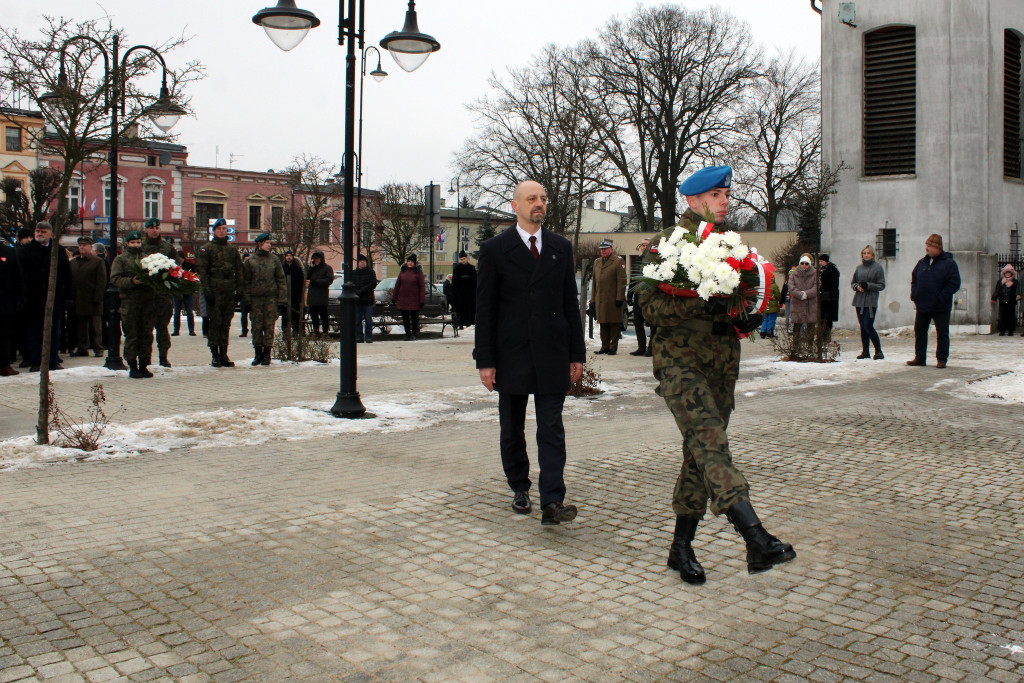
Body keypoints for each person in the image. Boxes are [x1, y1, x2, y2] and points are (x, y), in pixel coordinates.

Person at [639, 165, 795, 583]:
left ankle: (680, 548)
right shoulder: (668, 244)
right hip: (680, 361)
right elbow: (651, 309)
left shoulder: (734, 246)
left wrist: (748, 309)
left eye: (727, 192)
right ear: (693, 200)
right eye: (717, 194)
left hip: (722, 361)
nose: (726, 199)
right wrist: (701, 302)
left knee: (701, 452)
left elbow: (752, 294)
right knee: (710, 442)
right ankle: (755, 536)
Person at [474, 180, 586, 526]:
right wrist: (486, 361)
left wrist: (576, 354)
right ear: (515, 206)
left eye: (542, 198)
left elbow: (571, 303)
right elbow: (486, 310)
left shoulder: (560, 247)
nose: (539, 203)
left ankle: (553, 500)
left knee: (551, 428)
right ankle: (520, 487)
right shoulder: (495, 249)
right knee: (512, 427)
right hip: (512, 354)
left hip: (552, 352)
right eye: (531, 199)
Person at [19, 221, 72, 372]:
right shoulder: (26, 250)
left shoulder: (58, 250)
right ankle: (36, 361)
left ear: (51, 234)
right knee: (35, 330)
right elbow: (21, 274)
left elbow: (66, 274)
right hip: (34, 297)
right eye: (37, 231)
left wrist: (68, 296)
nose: (39, 234)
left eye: (43, 231)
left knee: (54, 330)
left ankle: (52, 360)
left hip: (54, 297)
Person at [908, 234, 961, 368]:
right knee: (920, 331)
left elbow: (954, 283)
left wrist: (941, 297)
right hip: (923, 304)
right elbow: (914, 279)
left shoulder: (949, 263)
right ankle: (920, 357)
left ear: (938, 248)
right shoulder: (922, 262)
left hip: (940, 306)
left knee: (942, 333)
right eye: (927, 245)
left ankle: (942, 359)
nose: (927, 248)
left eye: (930, 246)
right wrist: (915, 294)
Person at [196, 217, 243, 367]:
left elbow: (239, 270)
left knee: (225, 323)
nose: (222, 231)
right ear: (214, 231)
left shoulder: (231, 249)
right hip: (214, 291)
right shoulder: (207, 249)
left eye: (224, 228)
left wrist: (239, 290)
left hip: (229, 291)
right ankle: (215, 354)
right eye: (219, 229)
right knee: (215, 323)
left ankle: (224, 354)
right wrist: (207, 292)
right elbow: (202, 273)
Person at [109, 231, 154, 379]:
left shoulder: (147, 258)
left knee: (146, 334)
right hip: (130, 302)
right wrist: (131, 281)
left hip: (146, 301)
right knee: (132, 335)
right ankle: (133, 366)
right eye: (133, 243)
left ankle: (144, 364)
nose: (136, 245)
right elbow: (115, 279)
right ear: (127, 244)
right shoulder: (121, 259)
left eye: (138, 242)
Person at [242, 233, 286, 365]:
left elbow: (281, 280)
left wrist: (282, 300)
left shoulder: (274, 260)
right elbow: (246, 282)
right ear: (260, 244)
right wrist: (247, 301)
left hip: (270, 299)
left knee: (269, 326)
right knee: (256, 327)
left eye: (270, 243)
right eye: (267, 243)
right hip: (256, 300)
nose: (269, 245)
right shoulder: (250, 261)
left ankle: (267, 354)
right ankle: (258, 353)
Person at [141, 218, 178, 368]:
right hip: (147, 295)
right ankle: (146, 357)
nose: (154, 230)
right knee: (146, 329)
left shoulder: (167, 247)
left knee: (162, 328)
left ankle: (163, 357)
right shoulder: (141, 247)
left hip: (163, 295)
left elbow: (175, 268)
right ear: (146, 230)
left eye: (156, 227)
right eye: (151, 228)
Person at [69, 236, 107, 358]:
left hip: (93, 299)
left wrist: (98, 298)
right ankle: (82, 347)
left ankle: (98, 348)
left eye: (84, 245)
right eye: (80, 245)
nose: (82, 247)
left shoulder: (97, 262)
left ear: (91, 247)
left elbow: (102, 281)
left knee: (96, 326)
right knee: (81, 326)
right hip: (79, 299)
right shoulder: (73, 263)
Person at [591, 240, 627, 355]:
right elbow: (594, 283)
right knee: (603, 323)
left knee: (614, 323)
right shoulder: (596, 262)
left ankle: (613, 347)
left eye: (605, 249)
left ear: (611, 249)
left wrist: (620, 297)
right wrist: (593, 300)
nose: (603, 251)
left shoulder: (618, 261)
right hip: (600, 299)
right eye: (601, 249)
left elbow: (622, 281)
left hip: (612, 298)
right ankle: (604, 346)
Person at [851, 245, 886, 359]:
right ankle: (865, 351)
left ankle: (879, 351)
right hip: (859, 301)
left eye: (868, 253)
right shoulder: (859, 268)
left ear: (872, 255)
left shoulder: (878, 268)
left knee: (868, 325)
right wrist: (857, 287)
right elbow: (853, 282)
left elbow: (881, 285)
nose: (866, 255)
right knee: (862, 326)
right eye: (864, 253)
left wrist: (868, 285)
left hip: (871, 301)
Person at [0, 239, 25, 376]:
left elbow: (18, 277)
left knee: (5, 336)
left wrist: (19, 298)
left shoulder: (9, 252)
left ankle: (4, 364)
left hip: (5, 303)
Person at [392, 254, 425, 340]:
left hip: (414, 299)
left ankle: (414, 333)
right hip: (403, 299)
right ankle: (407, 334)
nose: (410, 263)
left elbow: (422, 287)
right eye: (408, 261)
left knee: (414, 317)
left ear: (414, 263)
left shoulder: (418, 272)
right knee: (405, 318)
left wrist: (422, 300)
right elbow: (397, 285)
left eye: (411, 262)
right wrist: (394, 297)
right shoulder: (402, 272)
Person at [629, 237, 653, 356]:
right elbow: (633, 278)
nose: (644, 247)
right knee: (637, 321)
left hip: (651, 296)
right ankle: (641, 347)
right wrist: (630, 294)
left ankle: (651, 348)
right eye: (642, 245)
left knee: (653, 323)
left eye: (646, 245)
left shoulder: (656, 259)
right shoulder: (638, 260)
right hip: (639, 295)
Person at [787, 254, 818, 339]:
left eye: (806, 263)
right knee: (796, 328)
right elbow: (791, 287)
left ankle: (810, 348)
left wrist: (806, 294)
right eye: (802, 263)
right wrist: (801, 295)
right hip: (797, 303)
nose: (804, 265)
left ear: (810, 264)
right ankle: (795, 348)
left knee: (811, 328)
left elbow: (817, 287)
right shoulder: (794, 274)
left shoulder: (815, 274)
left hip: (811, 304)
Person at [305, 251, 334, 335]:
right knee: (314, 315)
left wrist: (317, 282)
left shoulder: (327, 268)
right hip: (312, 296)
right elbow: (307, 276)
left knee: (323, 315)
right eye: (314, 259)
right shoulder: (312, 268)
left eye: (317, 258)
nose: (316, 260)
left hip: (322, 296)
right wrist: (311, 267)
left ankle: (325, 331)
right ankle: (316, 331)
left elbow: (329, 280)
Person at [352, 253, 378, 343]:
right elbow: (351, 284)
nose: (362, 263)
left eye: (364, 261)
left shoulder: (371, 272)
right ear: (358, 263)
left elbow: (373, 284)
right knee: (357, 320)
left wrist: (362, 290)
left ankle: (368, 336)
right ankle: (359, 336)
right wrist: (356, 291)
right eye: (360, 261)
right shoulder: (353, 273)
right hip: (357, 300)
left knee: (368, 320)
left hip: (367, 300)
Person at [171, 251, 197, 337]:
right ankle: (176, 330)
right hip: (177, 292)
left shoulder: (190, 266)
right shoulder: (173, 267)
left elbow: (194, 277)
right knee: (176, 312)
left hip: (187, 292)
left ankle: (191, 330)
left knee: (189, 311)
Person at [280, 250, 305, 334]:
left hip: (295, 294)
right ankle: (285, 330)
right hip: (285, 294)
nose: (289, 257)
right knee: (285, 314)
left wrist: (299, 296)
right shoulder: (282, 268)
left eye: (290, 255)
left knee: (295, 313)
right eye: (287, 255)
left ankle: (296, 330)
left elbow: (301, 283)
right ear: (285, 257)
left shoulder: (297, 268)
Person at [991, 264, 1020, 336]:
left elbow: (1017, 290)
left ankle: (1011, 331)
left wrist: (1017, 296)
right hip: (1002, 301)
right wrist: (994, 298)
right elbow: (997, 290)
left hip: (1011, 301)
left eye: (1009, 273)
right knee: (1002, 316)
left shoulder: (1015, 282)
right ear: (1004, 273)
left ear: (1011, 273)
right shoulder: (1000, 281)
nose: (1007, 274)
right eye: (1006, 273)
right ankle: (1002, 330)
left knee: (1011, 317)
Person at [451, 250, 477, 328]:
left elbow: (475, 280)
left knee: (469, 309)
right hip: (460, 294)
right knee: (460, 309)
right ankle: (460, 323)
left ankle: (469, 322)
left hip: (470, 293)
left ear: (467, 258)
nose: (463, 260)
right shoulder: (457, 268)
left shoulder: (471, 268)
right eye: (461, 259)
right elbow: (455, 281)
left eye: (464, 259)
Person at [818, 253, 840, 336]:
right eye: (819, 261)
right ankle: (823, 335)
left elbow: (834, 286)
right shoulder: (823, 270)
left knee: (827, 319)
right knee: (822, 318)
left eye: (822, 261)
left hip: (829, 298)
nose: (820, 263)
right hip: (824, 297)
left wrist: (832, 297)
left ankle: (826, 336)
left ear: (826, 261)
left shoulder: (832, 271)